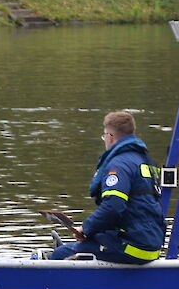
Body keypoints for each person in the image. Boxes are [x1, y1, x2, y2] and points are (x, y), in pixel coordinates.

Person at [49, 111, 165, 264]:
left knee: (59, 255)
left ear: (110, 136)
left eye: (104, 136)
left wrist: (86, 228)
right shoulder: (144, 161)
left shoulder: (119, 165)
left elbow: (114, 206)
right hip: (150, 244)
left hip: (131, 246)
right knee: (79, 247)